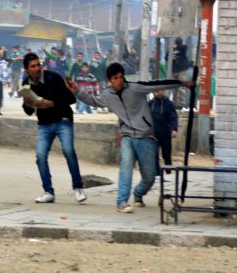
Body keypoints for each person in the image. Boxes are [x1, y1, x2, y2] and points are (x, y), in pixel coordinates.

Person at [69, 62, 193, 213]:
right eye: (115, 78)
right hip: (127, 135)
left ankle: (138, 193)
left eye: (121, 77)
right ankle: (122, 201)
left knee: (149, 177)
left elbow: (157, 84)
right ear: (109, 80)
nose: (119, 81)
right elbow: (93, 101)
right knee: (125, 167)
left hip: (146, 137)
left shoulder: (135, 88)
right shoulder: (107, 95)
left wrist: (182, 83)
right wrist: (77, 91)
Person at [21, 53, 87, 204]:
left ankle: (78, 188)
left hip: (63, 120)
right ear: (26, 69)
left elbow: (70, 99)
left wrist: (51, 103)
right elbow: (29, 111)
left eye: (38, 65)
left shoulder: (53, 77)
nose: (37, 68)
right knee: (40, 156)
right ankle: (48, 191)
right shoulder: (26, 83)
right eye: (33, 66)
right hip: (44, 124)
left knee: (68, 151)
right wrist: (27, 103)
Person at [149, 90, 178, 175]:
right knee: (154, 153)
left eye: (160, 89)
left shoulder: (169, 103)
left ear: (164, 90)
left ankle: (168, 171)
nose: (157, 92)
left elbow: (173, 117)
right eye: (156, 90)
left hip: (165, 133)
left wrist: (174, 129)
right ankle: (157, 173)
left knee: (167, 153)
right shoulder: (150, 103)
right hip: (153, 133)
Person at [167, 38, 190, 109]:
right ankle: (174, 103)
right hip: (174, 70)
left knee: (181, 88)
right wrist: (171, 55)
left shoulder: (182, 48)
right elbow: (166, 57)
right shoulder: (171, 49)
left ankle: (180, 104)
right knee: (174, 88)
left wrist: (175, 47)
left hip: (181, 70)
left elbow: (185, 47)